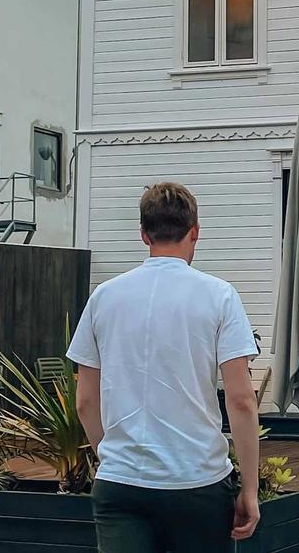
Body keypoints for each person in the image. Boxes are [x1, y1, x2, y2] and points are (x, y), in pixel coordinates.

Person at [68, 182, 262, 553]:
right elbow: (241, 400)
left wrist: (111, 455)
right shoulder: (220, 296)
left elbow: (85, 401)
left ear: (144, 234)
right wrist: (249, 489)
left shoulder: (104, 297)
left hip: (121, 483)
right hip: (197, 481)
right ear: (195, 231)